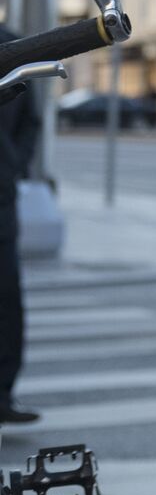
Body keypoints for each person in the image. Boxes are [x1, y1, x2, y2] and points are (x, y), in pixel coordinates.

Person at [0, 24, 41, 428]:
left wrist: (15, 162)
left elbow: (32, 117)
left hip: (1, 188)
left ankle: (4, 393)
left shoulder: (14, 42)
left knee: (6, 294)